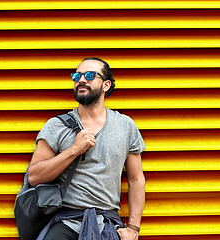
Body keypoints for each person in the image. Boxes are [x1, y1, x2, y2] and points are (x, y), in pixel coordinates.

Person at [27, 57, 146, 240]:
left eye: (89, 75)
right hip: (66, 220)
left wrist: (133, 227)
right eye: (77, 76)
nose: (81, 80)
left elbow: (136, 179)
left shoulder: (125, 126)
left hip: (107, 222)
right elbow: (34, 176)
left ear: (106, 85)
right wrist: (74, 149)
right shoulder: (56, 126)